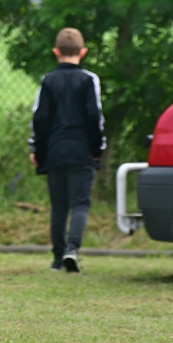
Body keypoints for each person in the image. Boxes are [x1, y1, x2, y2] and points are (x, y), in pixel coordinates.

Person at [29, 27, 106, 273]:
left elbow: (40, 118)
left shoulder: (48, 80)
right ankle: (72, 250)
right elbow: (95, 116)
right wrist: (97, 148)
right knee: (80, 204)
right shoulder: (89, 80)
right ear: (83, 52)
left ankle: (56, 256)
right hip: (82, 150)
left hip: (55, 150)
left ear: (55, 52)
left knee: (59, 205)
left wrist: (37, 150)